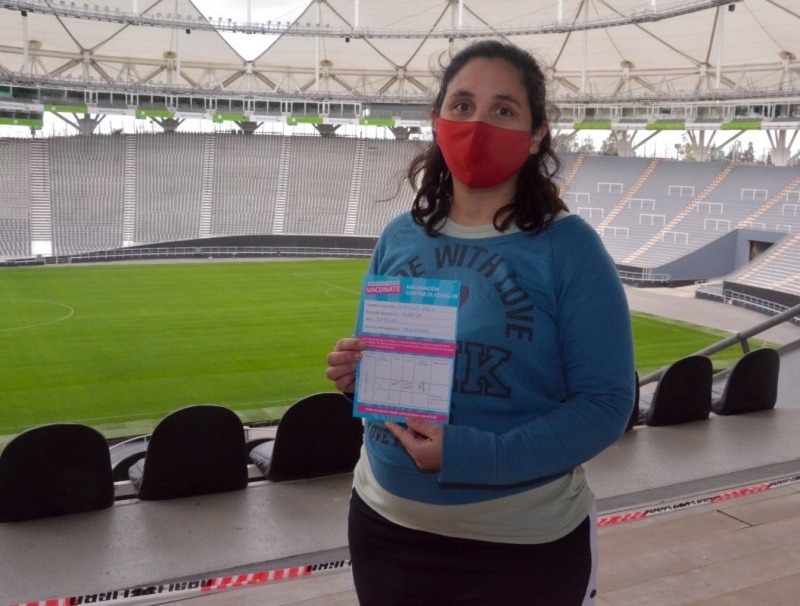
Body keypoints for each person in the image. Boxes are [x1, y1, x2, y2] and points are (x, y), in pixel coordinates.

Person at [325, 39, 635, 606]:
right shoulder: (399, 235)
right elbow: (387, 367)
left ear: (536, 134)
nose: (477, 126)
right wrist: (358, 375)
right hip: (383, 523)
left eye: (503, 110)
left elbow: (606, 405)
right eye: (463, 105)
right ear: (436, 120)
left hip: (519, 544)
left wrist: (473, 456)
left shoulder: (570, 249)